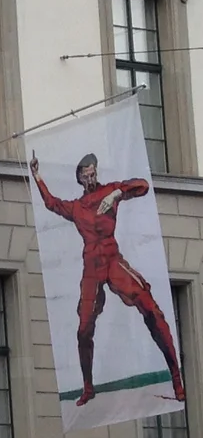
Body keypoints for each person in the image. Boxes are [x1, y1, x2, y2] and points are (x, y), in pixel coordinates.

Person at [31, 152, 184, 405]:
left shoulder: (110, 192)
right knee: (83, 329)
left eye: (93, 173)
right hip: (92, 266)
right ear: (79, 178)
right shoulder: (77, 207)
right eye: (86, 175)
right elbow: (51, 203)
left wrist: (117, 194)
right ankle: (88, 387)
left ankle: (176, 378)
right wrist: (37, 175)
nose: (90, 178)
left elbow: (142, 186)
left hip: (113, 261)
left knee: (150, 308)